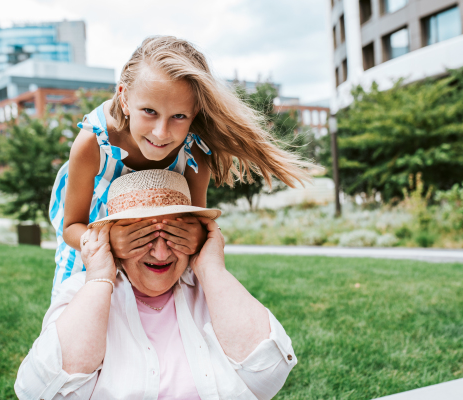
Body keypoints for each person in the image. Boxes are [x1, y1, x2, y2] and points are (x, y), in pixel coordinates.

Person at [48, 36, 309, 299]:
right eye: (149, 111)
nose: (161, 133)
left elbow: (198, 220)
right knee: (75, 305)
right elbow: (72, 226)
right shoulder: (93, 142)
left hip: (158, 245)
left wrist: (196, 235)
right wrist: (107, 243)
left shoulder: (194, 150)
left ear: (194, 112)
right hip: (93, 231)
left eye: (179, 116)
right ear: (124, 99)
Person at [16, 170, 297, 399]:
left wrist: (213, 267)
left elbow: (269, 372)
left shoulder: (211, 291)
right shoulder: (82, 291)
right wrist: (100, 276)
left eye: (175, 234)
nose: (161, 253)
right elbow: (41, 391)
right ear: (115, 241)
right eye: (142, 236)